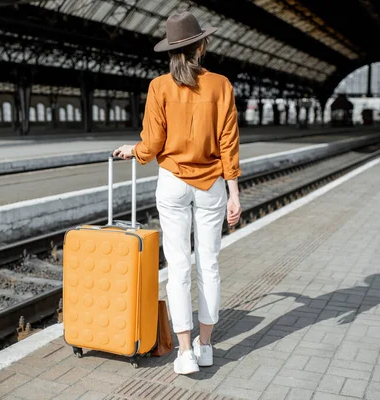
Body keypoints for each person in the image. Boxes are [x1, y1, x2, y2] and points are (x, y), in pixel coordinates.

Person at [113, 11, 242, 375]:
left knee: (179, 266)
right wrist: (234, 193)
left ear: (172, 51)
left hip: (171, 181)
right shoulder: (221, 85)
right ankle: (206, 346)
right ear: (201, 46)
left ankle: (184, 352)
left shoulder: (159, 87)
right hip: (212, 184)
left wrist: (134, 151)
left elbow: (152, 143)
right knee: (209, 264)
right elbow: (229, 142)